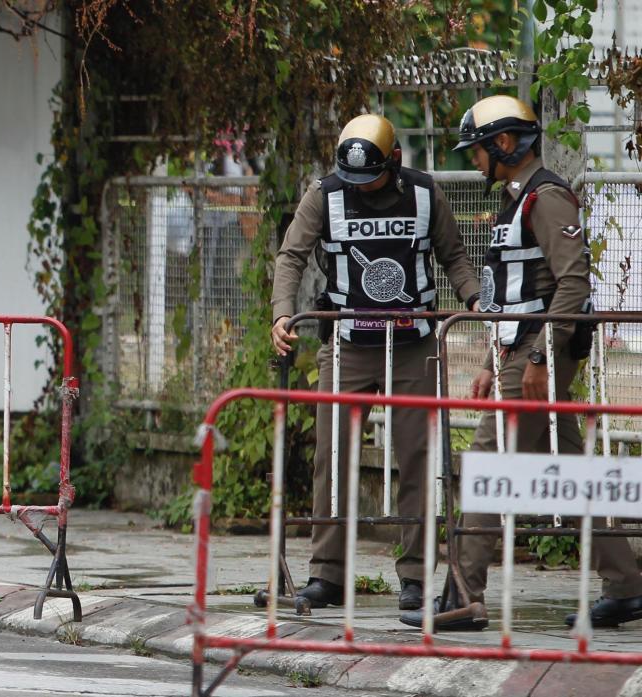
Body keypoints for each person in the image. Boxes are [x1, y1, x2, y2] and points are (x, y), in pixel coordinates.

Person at [404, 94, 642, 631]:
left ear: (504, 143)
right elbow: (513, 293)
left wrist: (537, 356)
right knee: (575, 472)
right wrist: (495, 357)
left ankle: (464, 594)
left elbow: (572, 282)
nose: (473, 161)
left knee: (489, 464)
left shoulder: (548, 197)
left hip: (540, 352)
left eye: (477, 150)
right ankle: (626, 585)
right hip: (523, 350)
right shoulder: (517, 198)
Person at [271, 114, 481, 612]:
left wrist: (475, 301)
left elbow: (454, 258)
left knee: (418, 460)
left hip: (414, 345)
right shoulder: (325, 194)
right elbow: (291, 256)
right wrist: (282, 313)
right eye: (353, 179)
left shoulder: (427, 195)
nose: (362, 188)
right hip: (347, 346)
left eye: (373, 177)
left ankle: (413, 576)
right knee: (332, 458)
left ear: (396, 161)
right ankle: (327, 575)